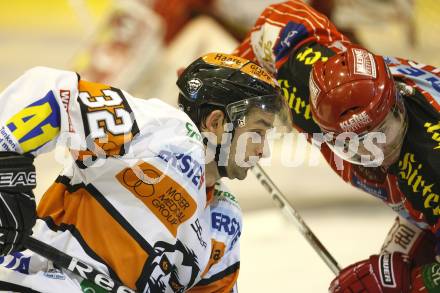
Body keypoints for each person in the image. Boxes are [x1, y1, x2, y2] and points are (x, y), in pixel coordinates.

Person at [0, 52, 291, 292]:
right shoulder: (159, 128)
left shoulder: (224, 221)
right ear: (216, 123)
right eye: (256, 132)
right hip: (35, 281)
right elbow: (52, 91)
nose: (263, 150)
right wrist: (6, 169)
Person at [233, 0, 440, 291]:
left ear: (398, 100)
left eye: (382, 132)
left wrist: (409, 281)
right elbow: (277, 20)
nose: (375, 153)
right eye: (353, 144)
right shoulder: (304, 83)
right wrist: (231, 80)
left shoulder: (432, 160)